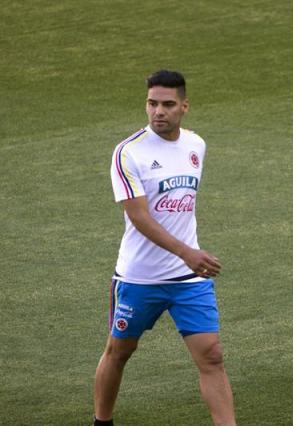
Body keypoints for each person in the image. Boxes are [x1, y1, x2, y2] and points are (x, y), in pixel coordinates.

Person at [93, 70, 236, 426]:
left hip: (189, 279)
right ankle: (101, 421)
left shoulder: (195, 145)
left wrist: (189, 258)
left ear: (184, 106)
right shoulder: (129, 153)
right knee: (119, 351)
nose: (158, 111)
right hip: (139, 278)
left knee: (212, 357)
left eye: (168, 104)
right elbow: (139, 217)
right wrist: (188, 252)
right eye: (152, 103)